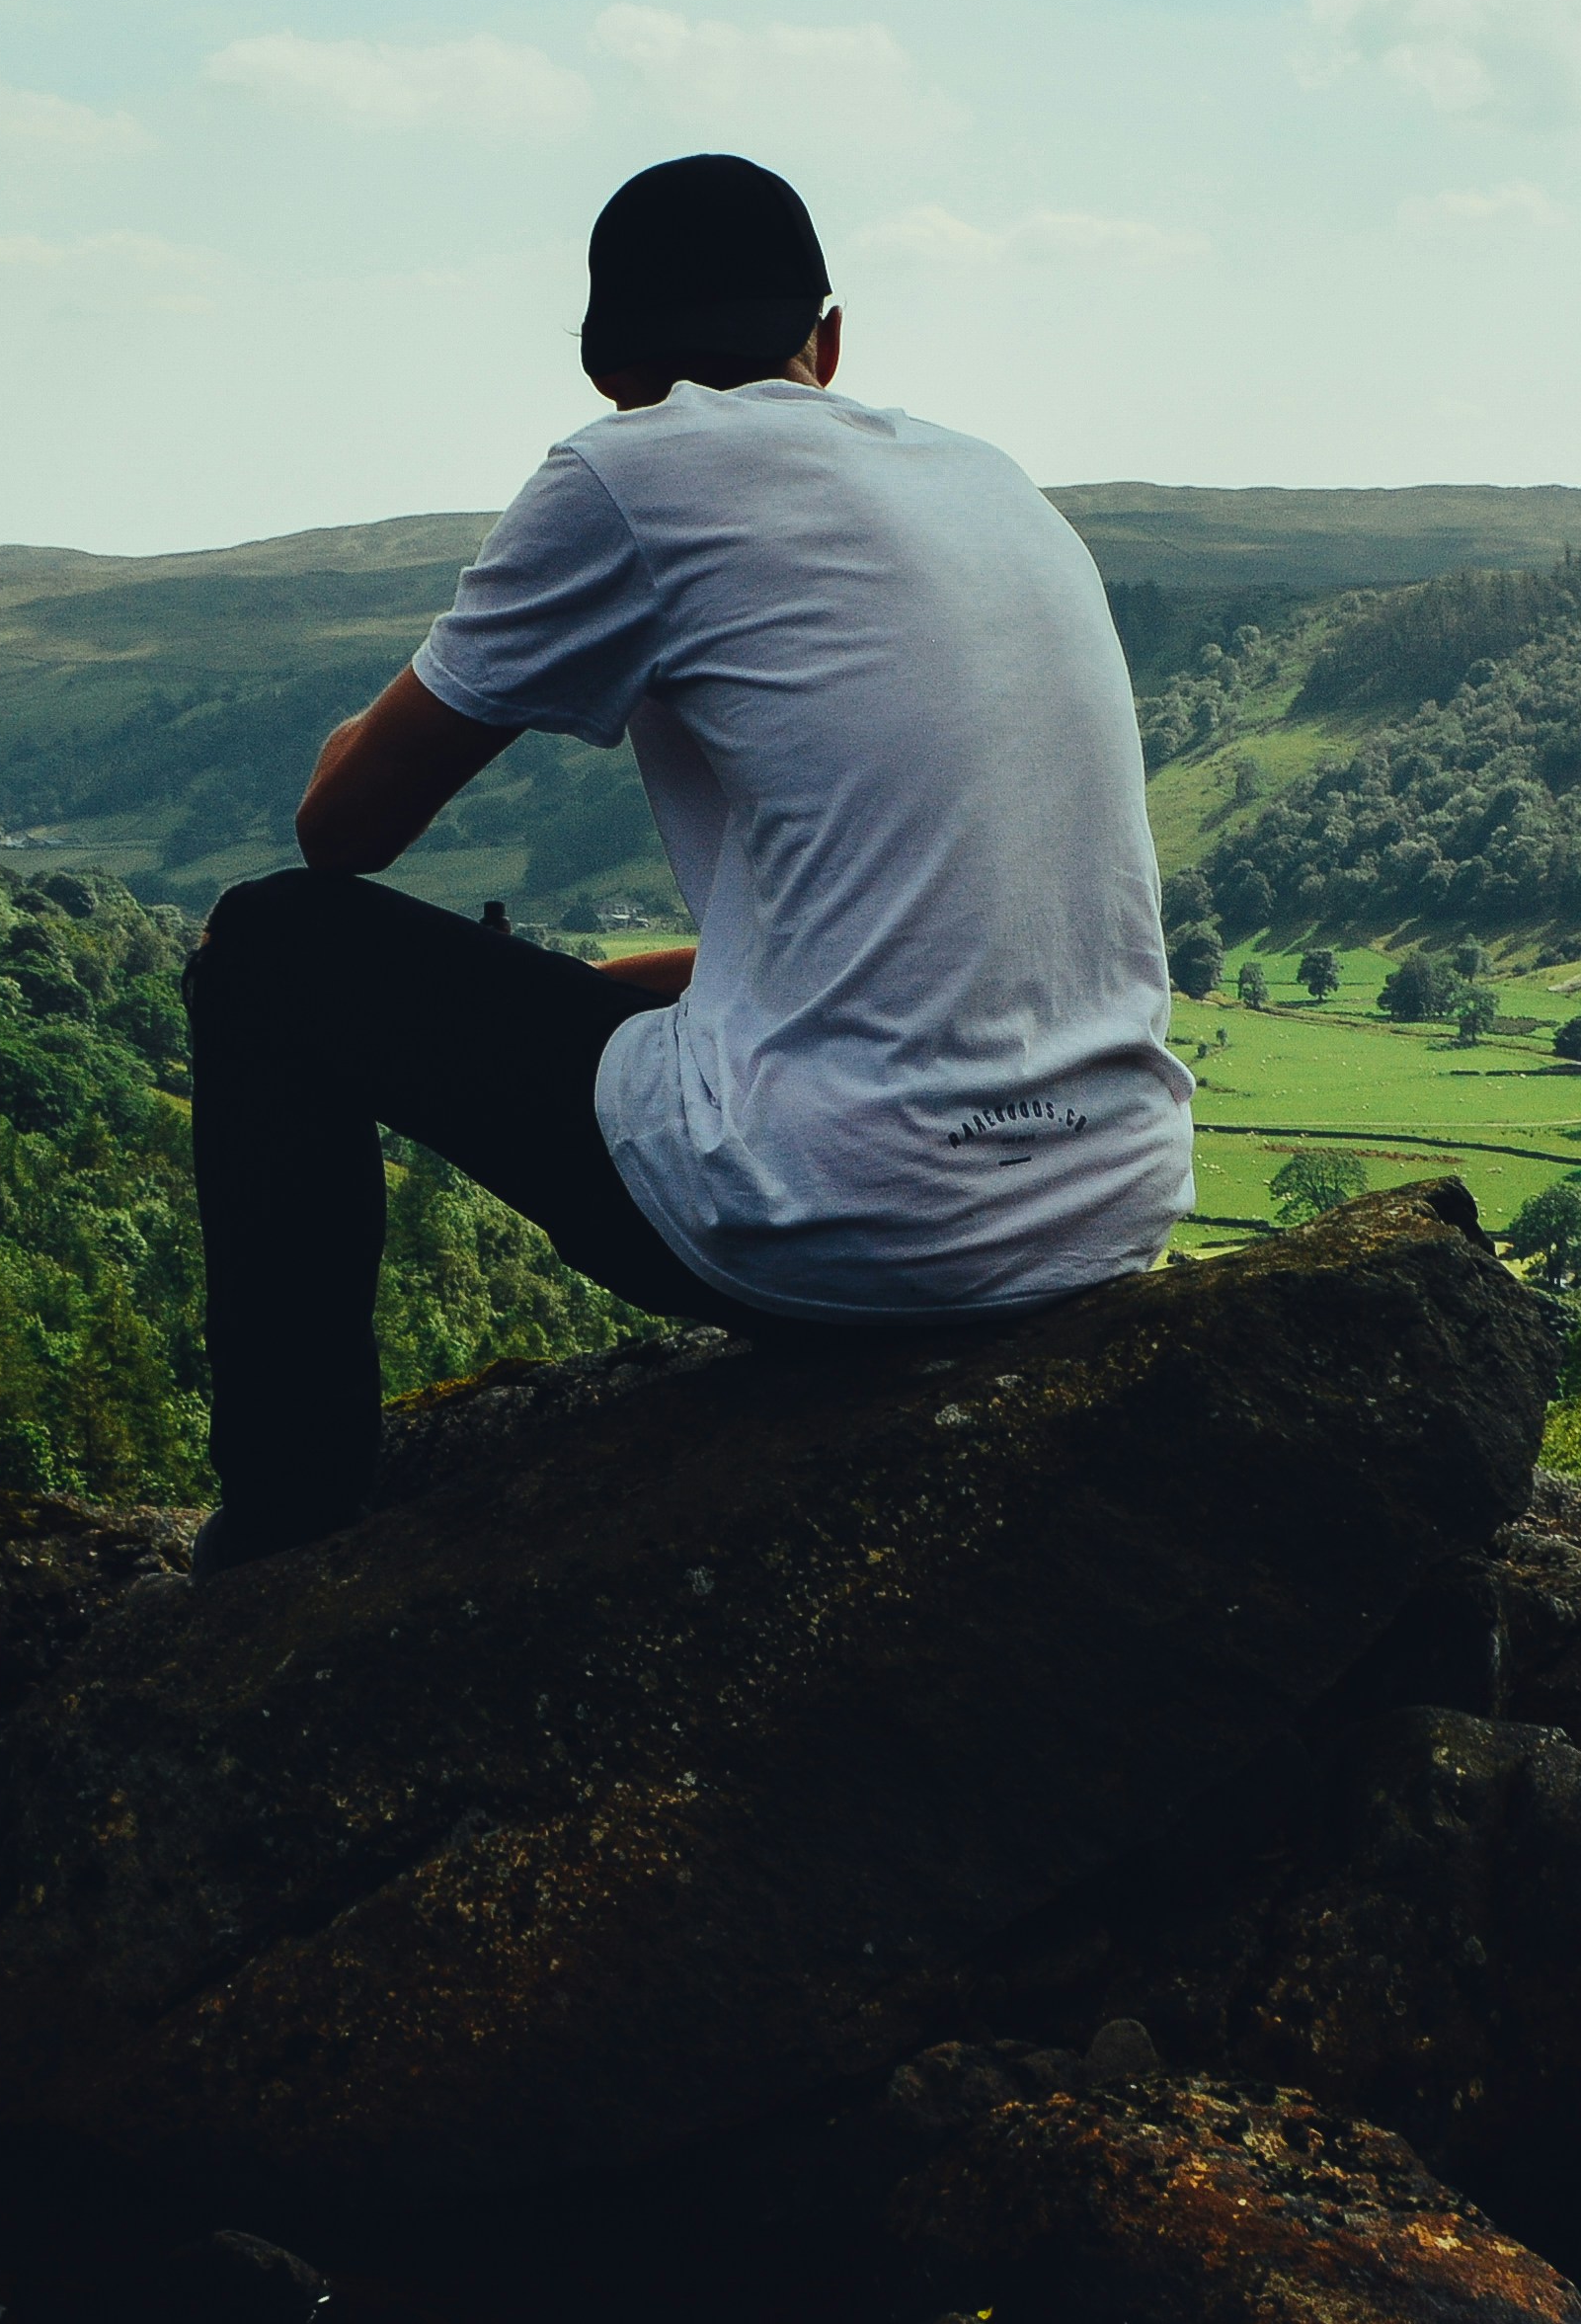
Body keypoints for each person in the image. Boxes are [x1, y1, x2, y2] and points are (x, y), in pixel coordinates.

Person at [184, 154, 1193, 1571]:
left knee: (273, 951)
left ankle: (284, 1533)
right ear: (827, 344)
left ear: (604, 366)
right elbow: (891, 921)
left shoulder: (623, 471)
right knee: (567, 998)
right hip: (1104, 1204)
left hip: (850, 1218)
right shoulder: (992, 480)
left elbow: (341, 829)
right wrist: (591, 992)